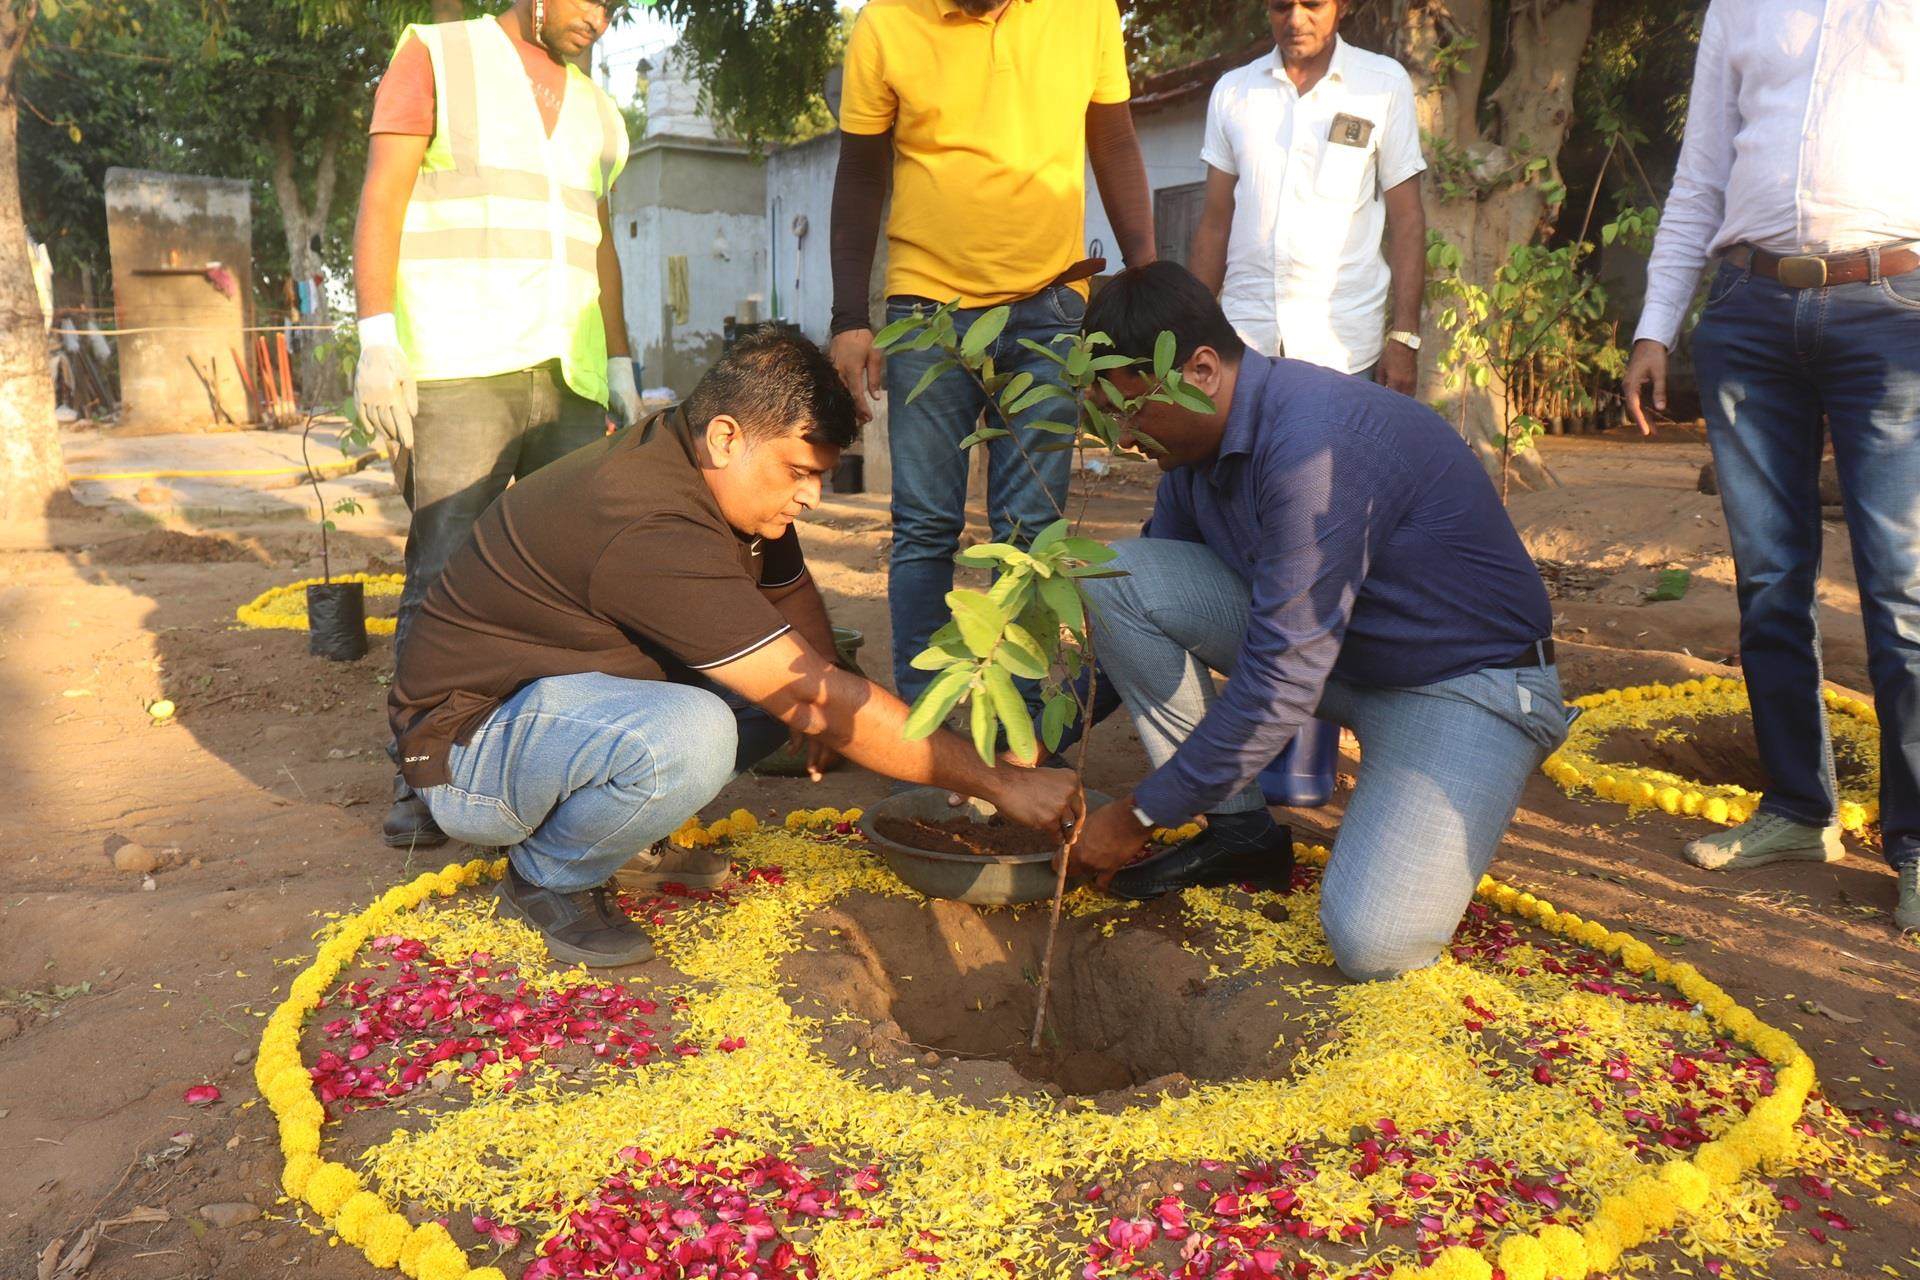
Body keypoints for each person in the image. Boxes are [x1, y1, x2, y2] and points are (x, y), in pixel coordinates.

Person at [389, 330, 1082, 967]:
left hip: (558, 711)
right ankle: (548, 872)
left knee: (789, 694)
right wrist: (1001, 783)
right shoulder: (650, 521)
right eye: (797, 472)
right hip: (471, 754)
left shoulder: (715, 470)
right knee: (694, 733)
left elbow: (790, 597)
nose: (810, 498)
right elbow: (811, 695)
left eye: (821, 476)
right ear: (726, 436)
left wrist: (831, 711)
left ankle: (617, 833)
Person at [1063, 263, 1569, 982]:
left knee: (1375, 943)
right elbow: (1140, 607)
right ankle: (1239, 835)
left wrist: (1140, 816)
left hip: (1466, 684)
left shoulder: (1315, 446)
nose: (1120, 436)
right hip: (1341, 661)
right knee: (1116, 572)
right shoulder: (1189, 457)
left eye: (1131, 411)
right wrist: (1033, 740)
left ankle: (1374, 804)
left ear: (1200, 369)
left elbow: (1280, 684)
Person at [1620, 0, 1920, 928]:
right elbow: (1702, 170)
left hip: (1893, 306)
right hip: (1749, 312)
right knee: (1770, 582)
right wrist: (1654, 324)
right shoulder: (1739, 7)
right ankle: (1797, 808)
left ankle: (1915, 845)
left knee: (1903, 584)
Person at [352, 0, 643, 850]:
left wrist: (621, 364)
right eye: (592, 0)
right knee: (443, 576)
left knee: (575, 581)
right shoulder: (437, 58)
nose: (603, 18)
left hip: (569, 372)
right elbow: (383, 199)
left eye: (617, 7)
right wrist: (376, 337)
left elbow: (600, 243)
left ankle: (548, 765)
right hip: (459, 362)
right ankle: (422, 775)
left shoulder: (597, 109)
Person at [827, 0, 1156, 716]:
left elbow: (1116, 142)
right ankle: (934, 731)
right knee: (923, 527)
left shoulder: (1088, 11)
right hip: (926, 317)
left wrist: (1147, 277)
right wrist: (851, 317)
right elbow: (859, 174)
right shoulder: (885, 23)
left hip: (1053, 307)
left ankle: (1024, 729)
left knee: (1029, 533)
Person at [1188, 0, 1427, 394]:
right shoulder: (1234, 91)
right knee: (1244, 457)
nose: (1296, 20)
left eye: (1313, 4)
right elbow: (1215, 223)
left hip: (1345, 350)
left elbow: (1408, 221)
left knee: (1335, 458)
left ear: (1342, 6)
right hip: (1245, 341)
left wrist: (1404, 338)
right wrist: (1192, 332)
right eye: (1283, 7)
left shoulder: (1382, 84)